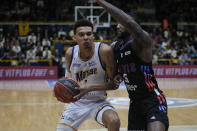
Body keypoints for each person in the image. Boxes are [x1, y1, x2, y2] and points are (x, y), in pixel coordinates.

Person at [94, 0, 169, 131]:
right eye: (117, 24)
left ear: (131, 26)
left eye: (121, 24)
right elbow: (114, 71)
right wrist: (116, 75)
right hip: (134, 103)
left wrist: (101, 2)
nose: (117, 26)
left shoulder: (142, 42)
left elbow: (129, 22)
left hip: (152, 100)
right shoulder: (116, 47)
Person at [56, 19, 120, 131]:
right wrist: (62, 93)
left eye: (89, 34)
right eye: (81, 34)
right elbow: (67, 80)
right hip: (76, 103)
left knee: (114, 121)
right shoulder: (70, 54)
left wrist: (89, 88)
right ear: (75, 37)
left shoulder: (104, 51)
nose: (86, 37)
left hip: (98, 102)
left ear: (93, 36)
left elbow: (114, 85)